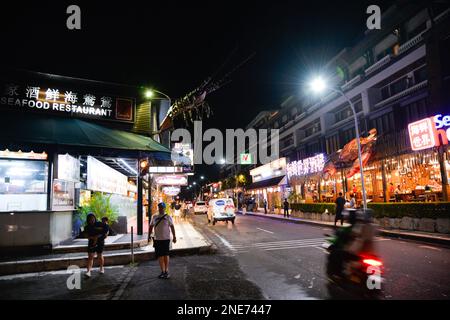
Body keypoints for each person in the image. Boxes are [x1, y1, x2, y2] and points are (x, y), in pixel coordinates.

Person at [149, 202, 177, 279]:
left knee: (166, 255)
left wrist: (174, 237)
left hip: (166, 239)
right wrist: (149, 235)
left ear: (164, 208)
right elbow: (151, 226)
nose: (161, 208)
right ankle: (163, 271)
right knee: (160, 255)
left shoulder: (168, 217)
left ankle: (166, 270)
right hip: (157, 239)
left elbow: (172, 227)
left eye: (162, 207)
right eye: (160, 207)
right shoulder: (154, 217)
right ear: (158, 208)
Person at [85, 213, 109, 277]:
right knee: (90, 256)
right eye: (90, 219)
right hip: (92, 242)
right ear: (88, 220)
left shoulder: (99, 224)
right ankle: (88, 271)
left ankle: (101, 268)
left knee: (99, 255)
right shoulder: (87, 227)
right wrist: (94, 238)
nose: (92, 220)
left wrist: (103, 235)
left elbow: (107, 228)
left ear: (95, 218)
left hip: (100, 242)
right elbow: (87, 236)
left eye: (93, 218)